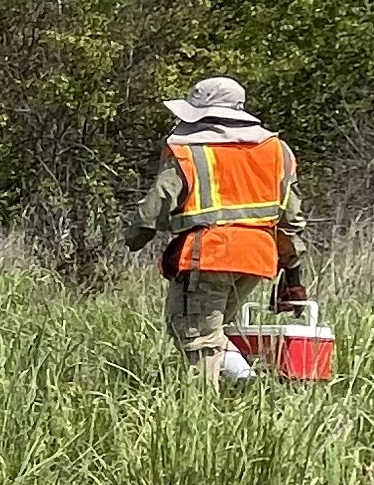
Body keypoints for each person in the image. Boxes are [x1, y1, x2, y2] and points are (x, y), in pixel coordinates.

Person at [126, 77, 306, 384]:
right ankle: (247, 386)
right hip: (259, 258)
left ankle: (213, 405)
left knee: (198, 335)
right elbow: (291, 218)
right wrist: (292, 270)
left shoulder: (187, 151)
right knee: (215, 329)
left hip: (210, 254)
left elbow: (155, 207)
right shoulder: (278, 150)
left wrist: (134, 238)